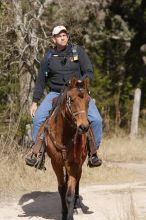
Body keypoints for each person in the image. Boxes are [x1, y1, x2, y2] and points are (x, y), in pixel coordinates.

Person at [25, 25, 102, 168]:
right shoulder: (48, 57)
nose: (63, 37)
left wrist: (80, 82)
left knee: (96, 119)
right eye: (59, 35)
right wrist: (35, 102)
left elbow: (89, 72)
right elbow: (41, 81)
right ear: (54, 39)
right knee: (39, 118)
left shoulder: (77, 51)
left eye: (65, 34)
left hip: (77, 92)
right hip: (55, 93)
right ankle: (37, 153)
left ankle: (93, 153)